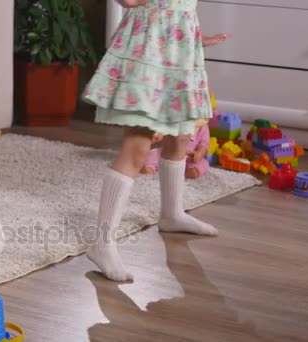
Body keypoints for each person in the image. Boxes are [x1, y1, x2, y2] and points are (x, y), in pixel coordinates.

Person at [82, 0, 229, 281]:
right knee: (138, 142)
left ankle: (172, 213)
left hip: (179, 51)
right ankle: (102, 242)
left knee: (180, 135)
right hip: (148, 54)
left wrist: (196, 38)